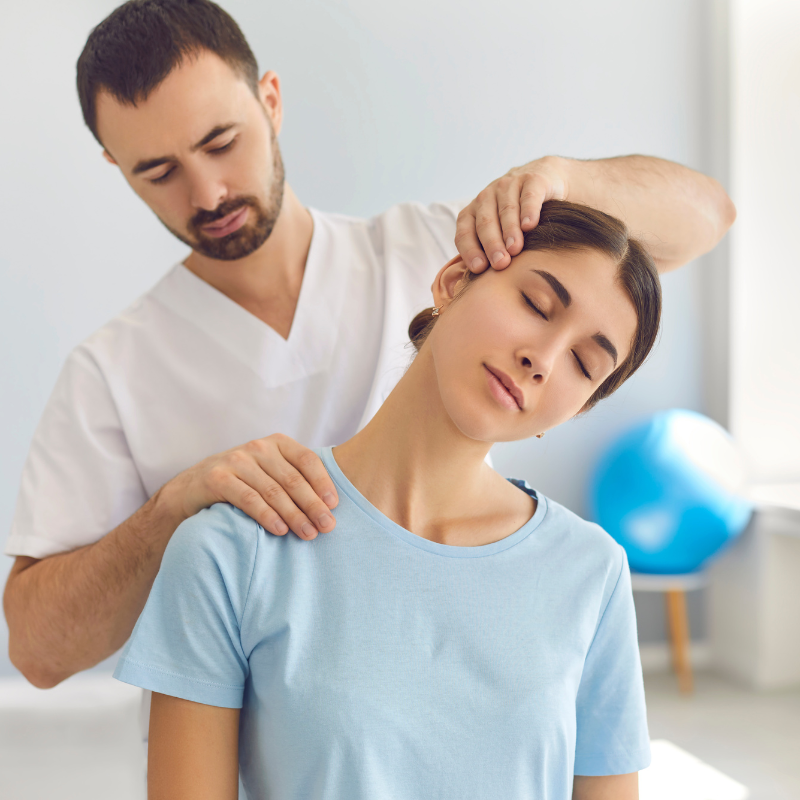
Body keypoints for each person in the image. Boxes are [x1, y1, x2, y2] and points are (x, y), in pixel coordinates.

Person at [3, 0, 735, 692]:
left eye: (220, 142)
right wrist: (172, 512)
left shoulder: (441, 249)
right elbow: (36, 652)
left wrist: (562, 178)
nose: (208, 193)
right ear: (115, 166)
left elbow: (705, 216)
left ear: (271, 101)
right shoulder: (112, 371)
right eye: (158, 172)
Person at [115, 201, 661, 800]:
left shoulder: (592, 573)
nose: (543, 359)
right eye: (535, 304)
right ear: (454, 282)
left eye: (583, 364)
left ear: (576, 408)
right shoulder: (232, 550)